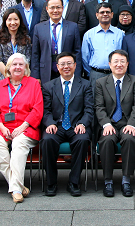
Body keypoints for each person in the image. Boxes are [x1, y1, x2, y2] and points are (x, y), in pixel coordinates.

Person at [0, 52, 43, 203]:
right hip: (3, 127)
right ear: (8, 68)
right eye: (14, 64)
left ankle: (17, 191)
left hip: (26, 127)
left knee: (19, 144)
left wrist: (23, 126)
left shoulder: (33, 84)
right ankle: (17, 184)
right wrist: (1, 127)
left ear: (26, 67)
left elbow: (38, 108)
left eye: (21, 64)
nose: (18, 67)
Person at [42, 52, 93, 197]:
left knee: (82, 140)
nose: (66, 67)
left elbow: (89, 109)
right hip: (56, 126)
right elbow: (45, 110)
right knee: (47, 140)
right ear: (57, 67)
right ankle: (51, 182)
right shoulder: (48, 86)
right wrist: (50, 123)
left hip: (76, 126)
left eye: (69, 63)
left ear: (75, 66)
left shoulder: (85, 84)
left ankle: (74, 182)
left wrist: (83, 123)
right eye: (62, 64)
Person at [95, 50, 135, 198]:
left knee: (129, 139)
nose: (119, 64)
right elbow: (99, 107)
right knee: (107, 140)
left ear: (127, 64)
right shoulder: (100, 83)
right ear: (110, 64)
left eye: (122, 61)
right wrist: (106, 124)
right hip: (109, 123)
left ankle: (126, 180)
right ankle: (108, 181)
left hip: (127, 123)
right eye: (115, 61)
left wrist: (132, 124)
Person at [31, 0, 82, 83]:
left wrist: (77, 74)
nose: (55, 11)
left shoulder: (73, 27)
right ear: (47, 9)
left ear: (63, 8)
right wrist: (36, 76)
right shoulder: (39, 28)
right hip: (46, 71)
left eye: (58, 7)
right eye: (52, 8)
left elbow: (77, 52)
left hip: (67, 70)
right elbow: (35, 54)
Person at [82, 2, 124, 91]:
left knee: (115, 99)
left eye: (108, 12)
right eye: (102, 12)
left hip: (116, 74)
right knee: (96, 99)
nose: (105, 14)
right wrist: (91, 73)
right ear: (97, 15)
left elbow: (124, 55)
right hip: (96, 74)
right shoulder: (89, 34)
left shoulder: (120, 34)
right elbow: (85, 57)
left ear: (112, 15)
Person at [0, 8, 32, 81]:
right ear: (5, 21)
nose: (13, 23)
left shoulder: (26, 38)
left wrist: (19, 75)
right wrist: (9, 76)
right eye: (9, 20)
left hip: (22, 77)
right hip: (4, 77)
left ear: (20, 21)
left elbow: (27, 59)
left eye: (15, 19)